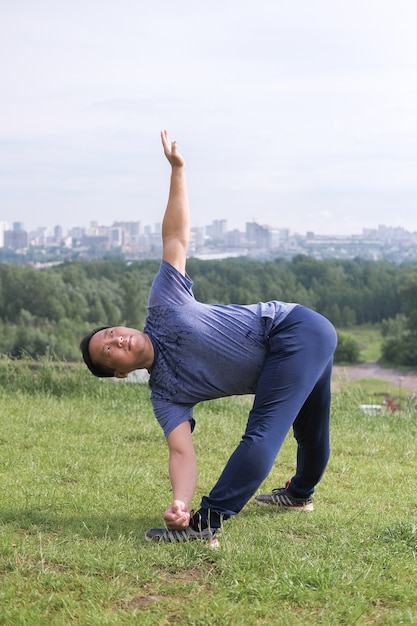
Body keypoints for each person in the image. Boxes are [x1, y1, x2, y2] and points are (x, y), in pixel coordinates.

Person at [80, 130, 337, 543]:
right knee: (310, 428)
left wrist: (178, 170)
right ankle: (299, 494)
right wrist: (180, 502)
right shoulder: (165, 396)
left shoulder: (163, 305)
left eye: (113, 334)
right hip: (299, 345)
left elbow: (175, 238)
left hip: (292, 329)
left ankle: (208, 523)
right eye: (109, 352)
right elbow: (181, 452)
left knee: (263, 431)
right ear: (118, 374)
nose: (119, 341)